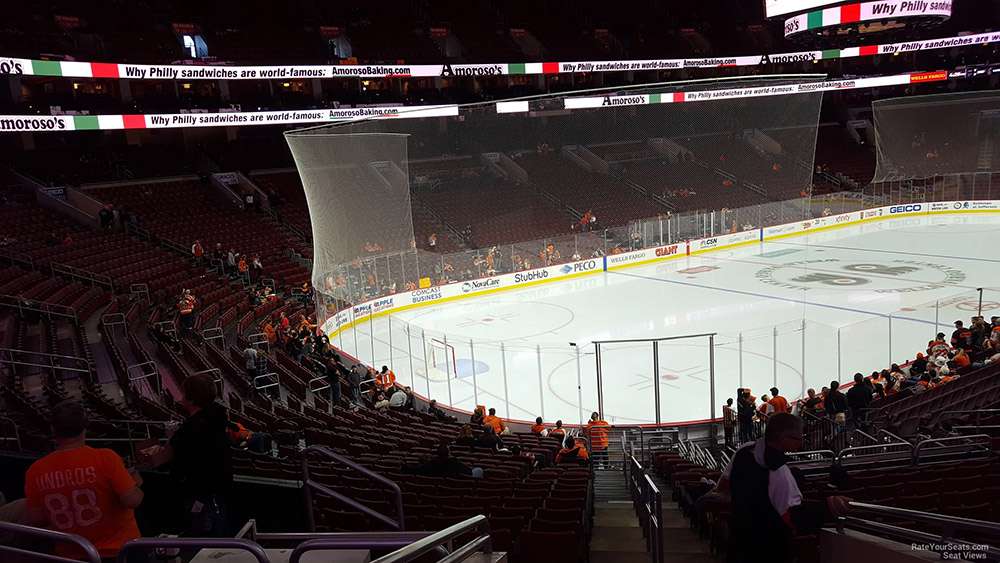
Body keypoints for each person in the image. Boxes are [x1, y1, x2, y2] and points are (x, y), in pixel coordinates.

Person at [717, 413, 850, 563]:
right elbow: (791, 516)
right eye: (798, 438)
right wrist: (829, 505)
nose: (801, 443)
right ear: (783, 438)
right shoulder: (778, 472)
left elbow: (724, 485)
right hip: (768, 549)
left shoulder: (744, 451)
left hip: (740, 540)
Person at [24, 401, 143, 561]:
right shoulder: (106, 458)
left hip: (70, 555)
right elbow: (133, 500)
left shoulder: (35, 470)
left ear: (53, 429)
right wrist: (136, 482)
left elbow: (36, 520)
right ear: (85, 427)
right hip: (119, 552)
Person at [141, 374, 232, 537]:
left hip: (201, 492)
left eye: (183, 394)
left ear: (191, 400)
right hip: (217, 491)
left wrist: (172, 439)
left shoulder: (191, 429)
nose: (180, 398)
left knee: (205, 536)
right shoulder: (217, 418)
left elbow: (177, 457)